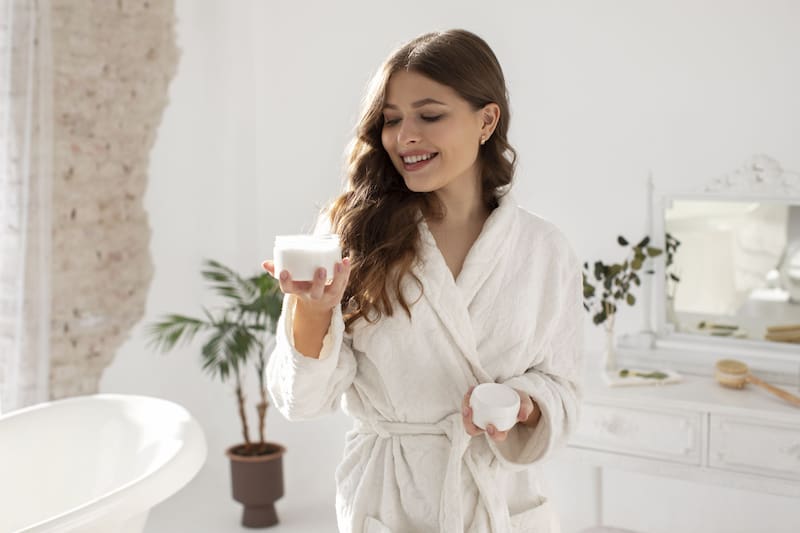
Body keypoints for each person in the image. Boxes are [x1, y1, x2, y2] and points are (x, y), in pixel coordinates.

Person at [262, 28, 582, 533]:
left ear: (487, 120)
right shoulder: (353, 235)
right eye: (391, 120)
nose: (404, 136)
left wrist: (523, 403)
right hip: (393, 502)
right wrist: (314, 311)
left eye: (429, 116)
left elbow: (563, 387)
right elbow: (300, 402)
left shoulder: (543, 250)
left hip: (501, 503)